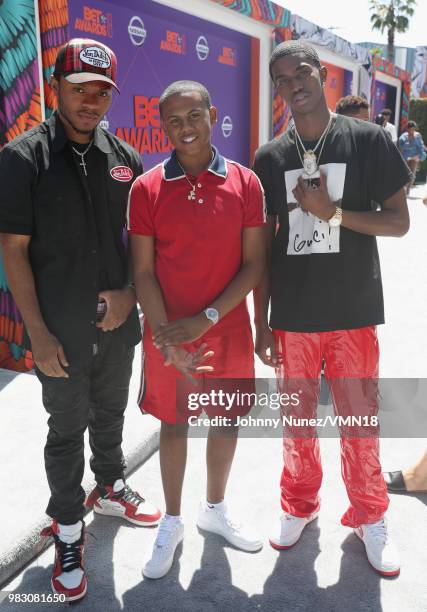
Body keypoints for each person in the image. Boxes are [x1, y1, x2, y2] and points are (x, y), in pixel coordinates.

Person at [0, 39, 161, 602]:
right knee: (66, 430)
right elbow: (14, 251)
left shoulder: (125, 159)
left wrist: (128, 298)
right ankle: (68, 529)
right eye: (80, 89)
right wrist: (37, 335)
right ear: (56, 88)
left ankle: (111, 484)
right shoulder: (24, 159)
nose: (91, 100)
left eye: (100, 91)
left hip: (118, 323)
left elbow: (139, 247)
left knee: (111, 411)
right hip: (60, 332)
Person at [253, 40, 410, 577]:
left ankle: (370, 515)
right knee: (297, 424)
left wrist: (334, 212)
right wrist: (261, 321)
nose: (292, 86)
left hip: (352, 311)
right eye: (281, 79)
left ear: (322, 75)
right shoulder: (271, 157)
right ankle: (299, 504)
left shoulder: (368, 141)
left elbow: (399, 222)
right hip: (293, 318)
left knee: (359, 423)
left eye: (301, 74)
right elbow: (263, 249)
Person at [128, 80, 266, 579]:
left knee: (225, 421)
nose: (184, 128)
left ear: (212, 113)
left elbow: (253, 266)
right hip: (167, 334)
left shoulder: (246, 182)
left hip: (226, 328)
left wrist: (204, 321)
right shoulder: (145, 188)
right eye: (172, 120)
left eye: (193, 116)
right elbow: (143, 272)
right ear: (161, 125)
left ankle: (215, 507)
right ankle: (173, 519)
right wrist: (167, 338)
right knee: (175, 424)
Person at [398, 120, 427, 193]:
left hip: (414, 158)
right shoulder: (403, 136)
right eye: (410, 129)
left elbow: (421, 147)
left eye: (413, 129)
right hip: (405, 158)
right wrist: (409, 144)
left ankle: (407, 190)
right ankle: (404, 188)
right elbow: (400, 146)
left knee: (412, 174)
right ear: (407, 129)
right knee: (405, 173)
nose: (412, 131)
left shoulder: (418, 136)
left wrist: (420, 156)